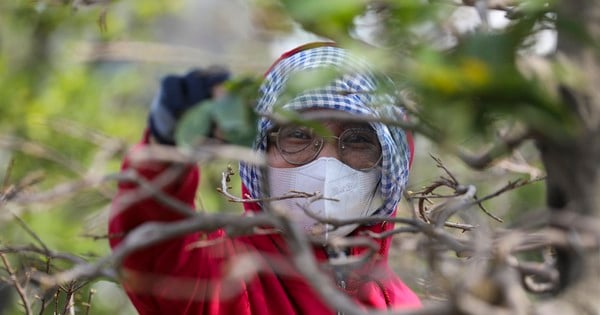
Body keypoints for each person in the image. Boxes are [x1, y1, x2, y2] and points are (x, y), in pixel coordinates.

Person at [109, 42, 421, 314]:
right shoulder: (228, 277)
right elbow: (156, 258)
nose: (327, 164)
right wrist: (166, 151)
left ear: (388, 167)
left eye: (357, 141)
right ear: (260, 153)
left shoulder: (404, 306)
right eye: (297, 135)